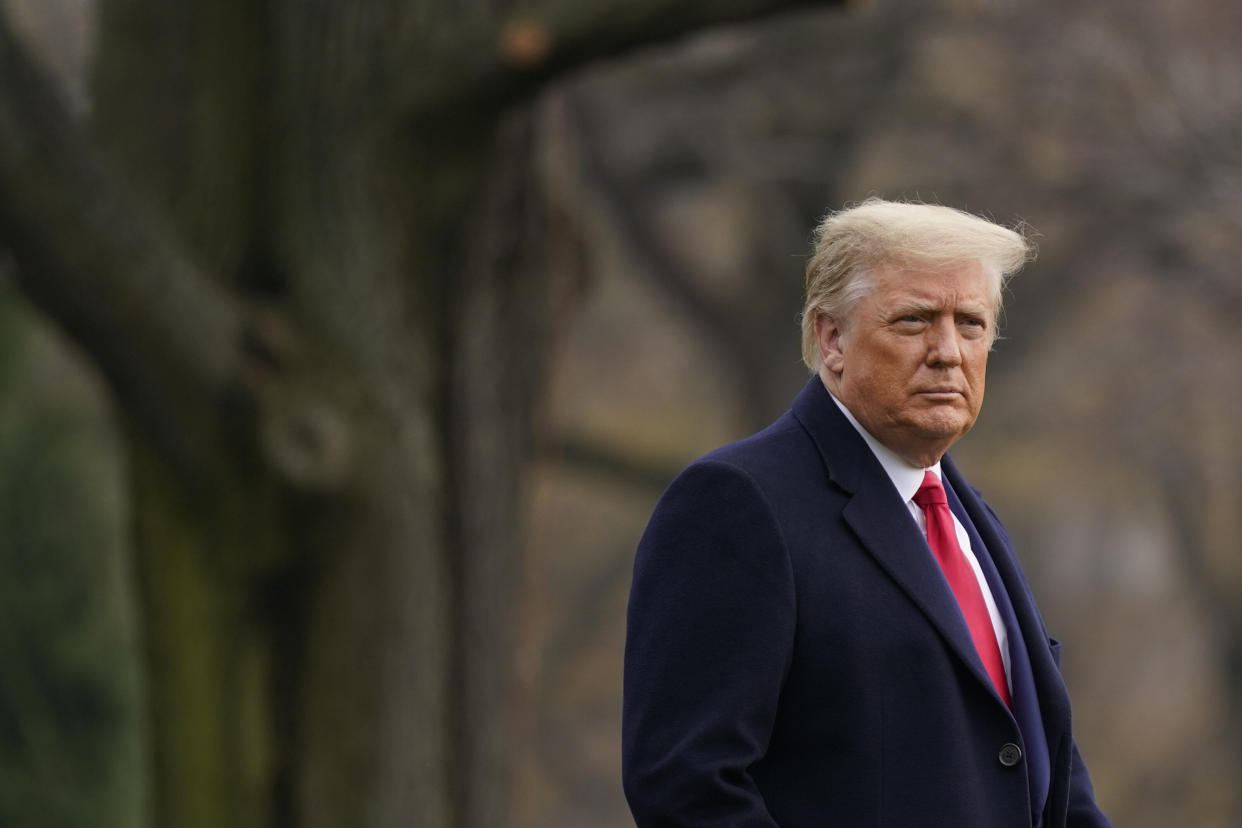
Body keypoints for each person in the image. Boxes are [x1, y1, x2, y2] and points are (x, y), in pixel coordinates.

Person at [622, 199, 1112, 828]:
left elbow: (1049, 774)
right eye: (914, 320)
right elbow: (686, 789)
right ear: (833, 339)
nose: (948, 352)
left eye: (970, 323)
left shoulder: (969, 517)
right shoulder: (737, 503)